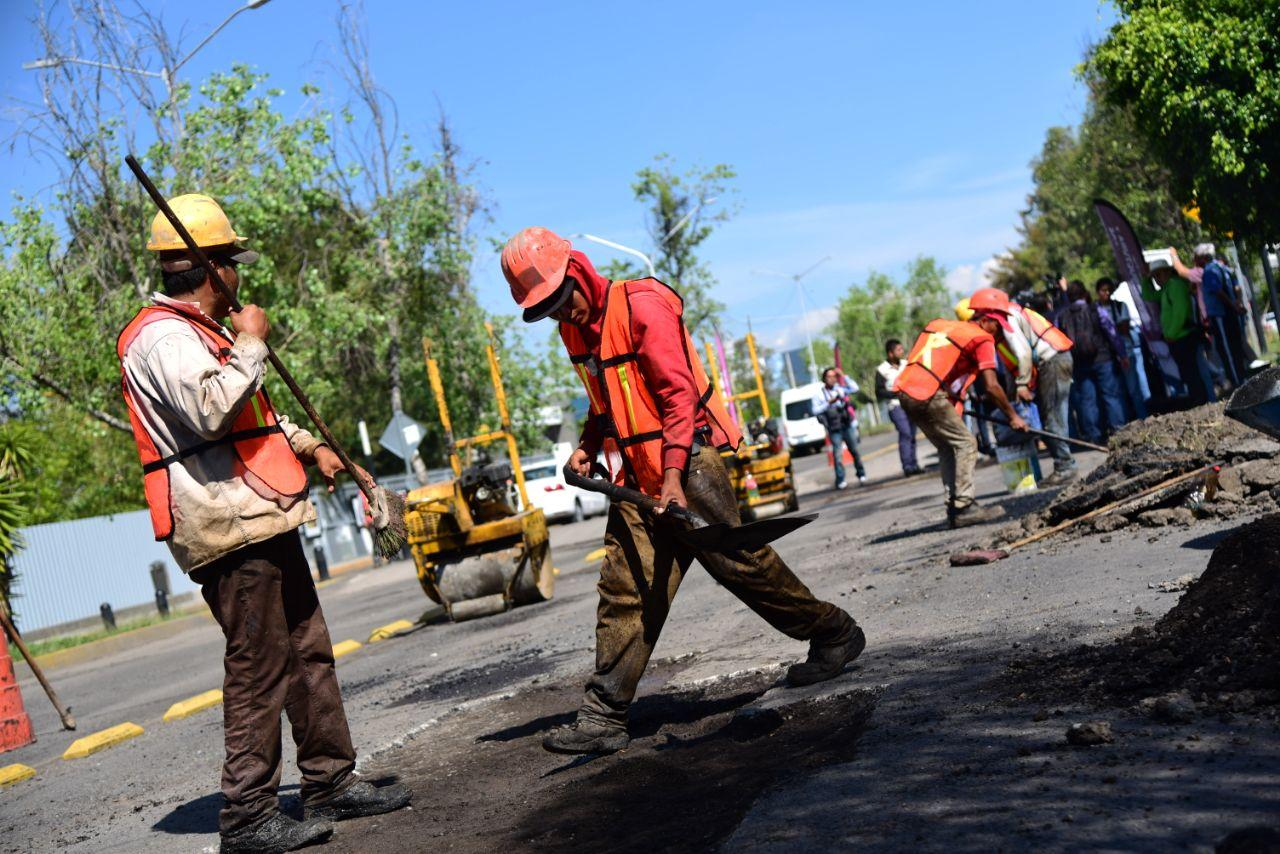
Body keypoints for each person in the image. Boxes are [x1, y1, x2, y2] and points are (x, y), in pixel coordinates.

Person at [118, 194, 411, 854]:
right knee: (258, 666)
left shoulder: (205, 335)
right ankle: (248, 815)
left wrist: (313, 447)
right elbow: (214, 409)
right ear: (208, 267)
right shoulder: (162, 337)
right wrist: (253, 338)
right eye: (232, 263)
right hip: (224, 524)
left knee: (307, 650)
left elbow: (257, 418)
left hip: (260, 515)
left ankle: (330, 780)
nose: (240, 278)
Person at [501, 227, 863, 755]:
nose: (560, 314)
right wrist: (589, 443)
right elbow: (604, 401)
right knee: (625, 584)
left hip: (687, 459)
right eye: (546, 310)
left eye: (560, 300)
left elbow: (678, 397)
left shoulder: (643, 306)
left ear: (578, 273)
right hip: (639, 473)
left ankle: (833, 633)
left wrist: (671, 478)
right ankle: (604, 714)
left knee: (739, 564)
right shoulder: (574, 331)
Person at [895, 306, 1028, 527]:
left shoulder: (944, 327)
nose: (998, 335)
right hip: (928, 393)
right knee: (966, 443)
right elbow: (992, 387)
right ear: (985, 321)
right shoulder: (981, 338)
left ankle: (954, 505)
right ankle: (964, 506)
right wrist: (1013, 416)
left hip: (906, 391)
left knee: (948, 446)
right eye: (998, 328)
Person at [969, 288, 1077, 485]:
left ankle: (1065, 466)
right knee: (1049, 416)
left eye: (980, 323)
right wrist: (1012, 398)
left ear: (988, 318)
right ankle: (1063, 463)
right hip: (1051, 363)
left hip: (1053, 362)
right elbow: (1013, 367)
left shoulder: (1008, 319)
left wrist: (1022, 386)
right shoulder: (1002, 326)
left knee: (1052, 417)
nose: (981, 329)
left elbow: (1024, 354)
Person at [1057, 281, 1129, 444]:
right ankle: (1119, 430)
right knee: (1111, 396)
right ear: (1084, 294)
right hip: (1103, 359)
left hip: (1079, 363)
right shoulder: (1095, 309)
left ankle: (1094, 435)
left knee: (1087, 400)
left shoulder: (1062, 316)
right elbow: (1111, 333)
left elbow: (1058, 342)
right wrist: (1122, 354)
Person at [1172, 244, 1248, 388]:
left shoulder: (1208, 272)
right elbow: (1236, 286)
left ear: (1203, 258)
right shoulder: (1222, 267)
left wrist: (1174, 254)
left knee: (1227, 350)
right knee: (1234, 347)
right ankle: (1240, 377)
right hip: (1230, 314)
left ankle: (1238, 382)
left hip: (1220, 315)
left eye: (1196, 257)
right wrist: (1237, 303)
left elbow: (1218, 292)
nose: (1194, 260)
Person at [1142, 255, 1209, 407]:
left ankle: (1201, 402)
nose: (1157, 279)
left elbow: (1180, 312)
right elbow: (1148, 295)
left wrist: (1170, 335)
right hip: (1177, 337)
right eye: (1155, 276)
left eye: (1159, 274)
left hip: (1182, 337)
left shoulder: (1175, 286)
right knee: (1188, 372)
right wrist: (1145, 279)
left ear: (1167, 272)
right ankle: (1199, 402)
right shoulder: (1166, 289)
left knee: (1191, 372)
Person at [1095, 278, 1149, 420]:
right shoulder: (1095, 310)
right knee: (1117, 392)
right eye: (1103, 290)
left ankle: (1143, 417)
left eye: (1108, 290)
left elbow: (1124, 327)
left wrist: (1107, 328)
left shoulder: (1120, 306)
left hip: (1126, 351)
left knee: (1134, 388)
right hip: (1108, 356)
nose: (1106, 293)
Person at [812, 367, 868, 488]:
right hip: (834, 428)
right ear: (824, 379)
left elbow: (855, 388)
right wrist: (829, 403)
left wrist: (843, 376)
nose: (832, 379)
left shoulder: (840, 389)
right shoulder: (819, 395)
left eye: (834, 376)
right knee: (837, 455)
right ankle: (840, 479)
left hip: (846, 424)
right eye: (829, 377)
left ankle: (861, 474)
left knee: (855, 451)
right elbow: (815, 410)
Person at [875, 339, 922, 475]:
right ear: (890, 353)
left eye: (902, 349)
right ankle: (907, 466)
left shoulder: (906, 364)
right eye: (898, 350)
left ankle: (914, 464)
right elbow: (879, 391)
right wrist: (894, 393)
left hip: (910, 403)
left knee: (912, 434)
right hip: (895, 406)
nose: (902, 352)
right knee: (905, 433)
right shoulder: (882, 370)